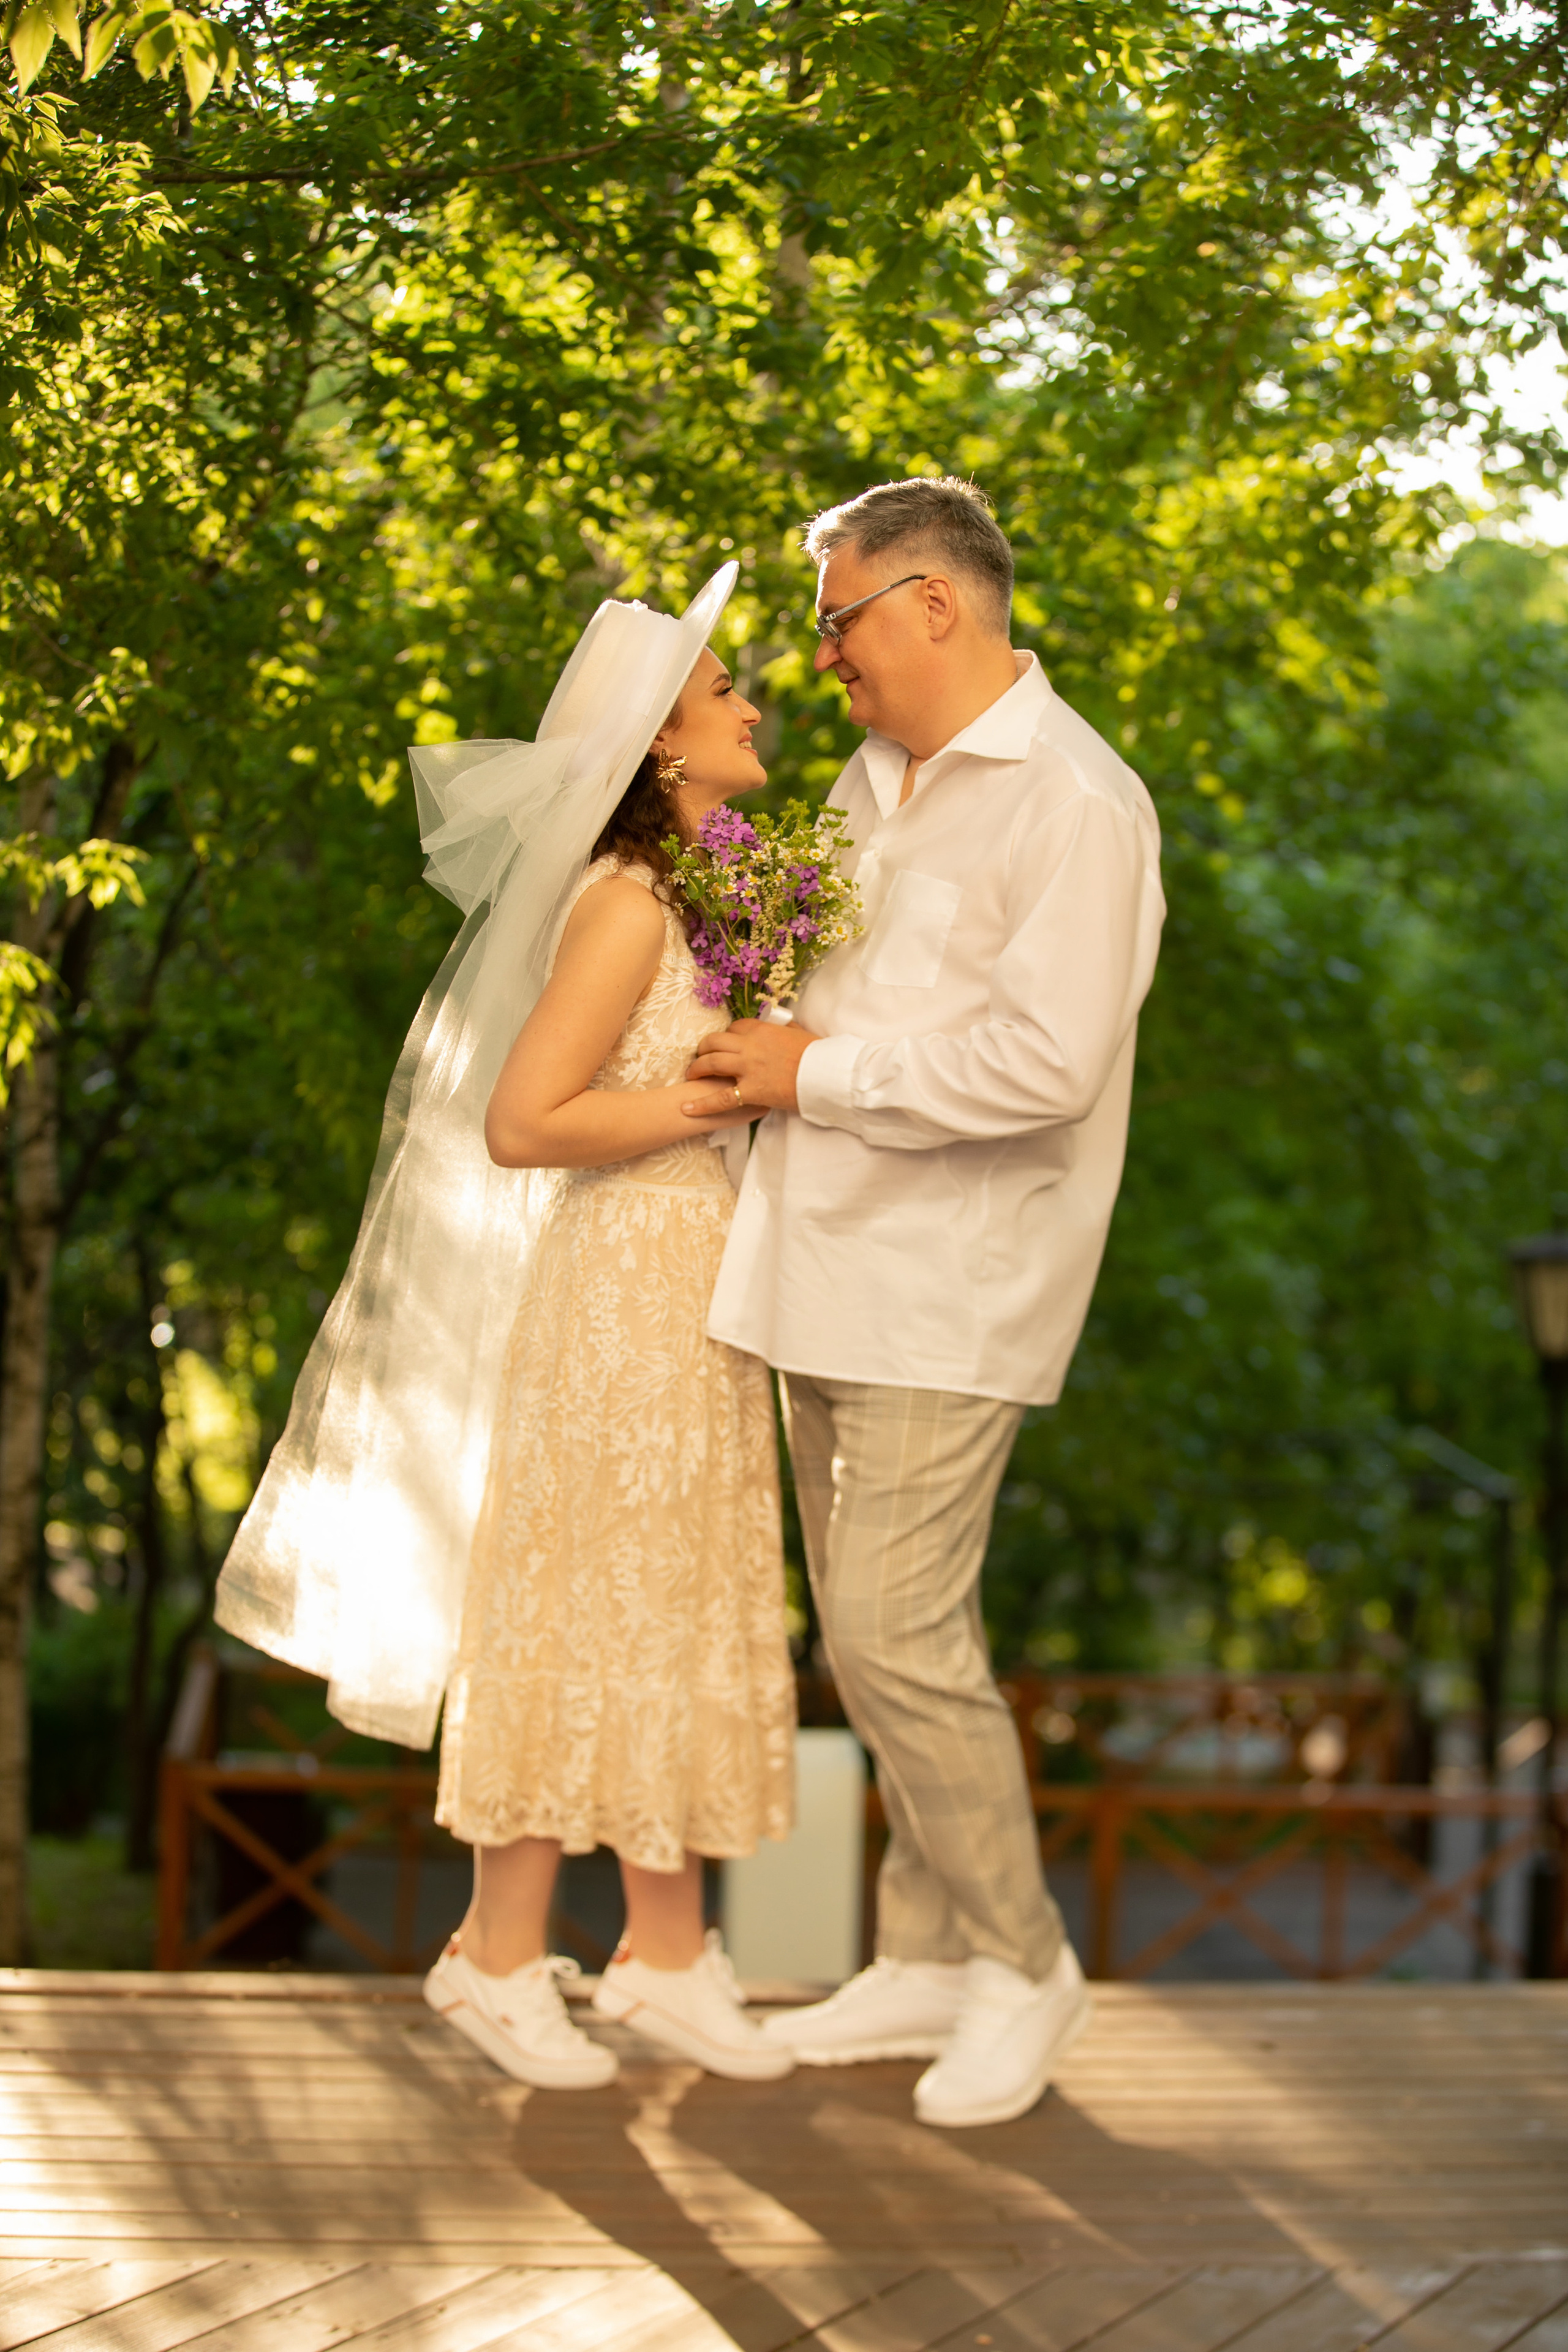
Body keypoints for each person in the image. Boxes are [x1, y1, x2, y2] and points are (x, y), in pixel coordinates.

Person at [216, 569, 795, 2091]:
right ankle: (488, 1952)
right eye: (725, 692)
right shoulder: (619, 905)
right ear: (663, 747)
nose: (752, 707)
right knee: (574, 1605)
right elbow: (520, 1119)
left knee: (676, 1607)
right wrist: (712, 1092)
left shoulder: (713, 895)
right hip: (616, 1291)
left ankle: (665, 1958)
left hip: (705, 1292)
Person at [687, 479, 1166, 2128]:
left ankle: (1025, 1966)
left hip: (949, 1286)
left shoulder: (1077, 806)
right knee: (872, 1643)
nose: (824, 660)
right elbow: (816, 973)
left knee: (901, 1637)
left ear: (934, 605)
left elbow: (1049, 1066)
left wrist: (814, 1071)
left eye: (838, 621)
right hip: (820, 1262)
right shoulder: (870, 778)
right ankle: (922, 1955)